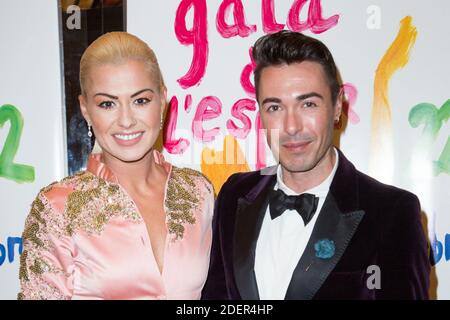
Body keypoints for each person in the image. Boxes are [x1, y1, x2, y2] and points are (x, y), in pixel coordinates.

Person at [202, 30, 430, 300]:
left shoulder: (392, 213)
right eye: (275, 107)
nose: (291, 127)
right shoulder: (234, 194)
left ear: (337, 106)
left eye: (308, 104)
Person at [18, 32, 214, 300]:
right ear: (86, 109)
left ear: (162, 99)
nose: (126, 120)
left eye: (140, 100)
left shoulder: (199, 192)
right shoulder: (57, 208)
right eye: (107, 103)